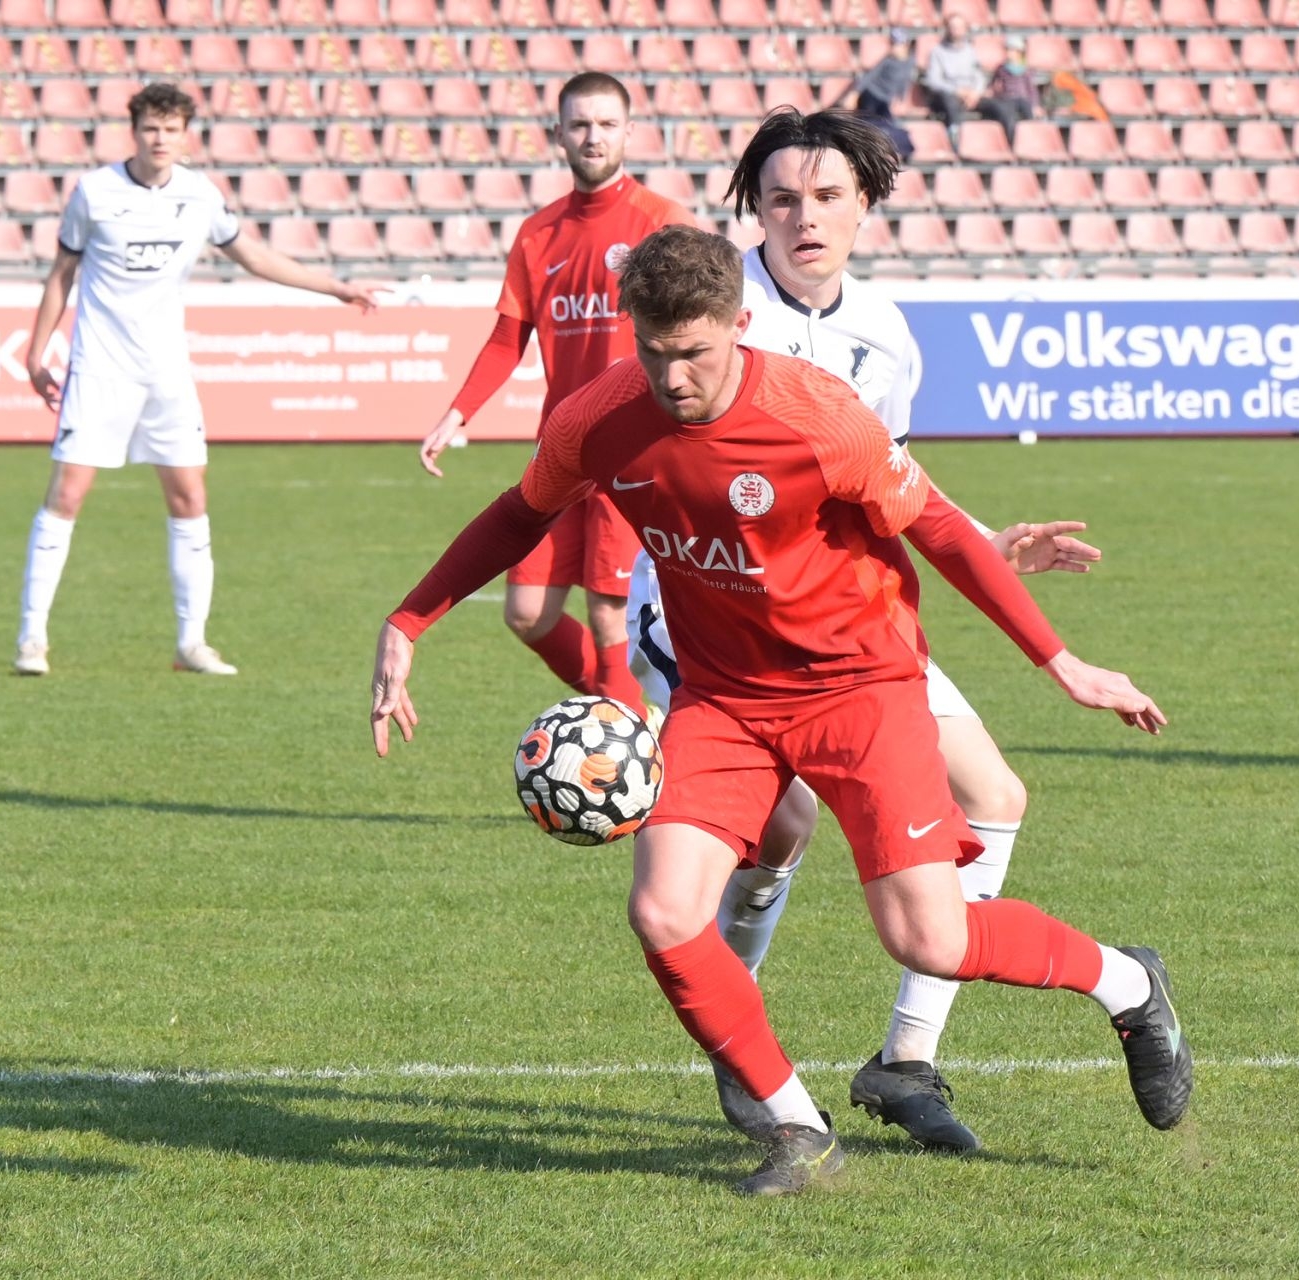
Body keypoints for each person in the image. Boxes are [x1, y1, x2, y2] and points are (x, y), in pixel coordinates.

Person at [371, 226, 1191, 1196]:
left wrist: (1062, 661)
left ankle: (1130, 984)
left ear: (739, 326)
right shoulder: (601, 416)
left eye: (696, 353)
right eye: (655, 351)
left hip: (863, 686)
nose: (674, 377)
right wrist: (410, 618)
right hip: (724, 699)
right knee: (666, 909)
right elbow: (521, 510)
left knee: (928, 936)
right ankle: (797, 1128)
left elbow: (935, 527)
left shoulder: (817, 417)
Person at [626, 107, 1102, 1153]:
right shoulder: (711, 306)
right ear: (752, 206)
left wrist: (987, 539)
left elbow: (892, 490)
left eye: (828, 197)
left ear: (865, 207)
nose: (805, 218)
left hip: (849, 624)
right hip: (710, 624)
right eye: (782, 198)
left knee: (997, 793)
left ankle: (905, 1058)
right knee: (780, 822)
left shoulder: (883, 332)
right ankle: (737, 1037)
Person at [15, 83, 387, 677]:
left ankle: (192, 644)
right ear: (133, 131)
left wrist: (335, 287)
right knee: (67, 496)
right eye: (150, 128)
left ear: (186, 134)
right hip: (100, 369)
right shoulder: (95, 192)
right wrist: (36, 353)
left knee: (189, 498)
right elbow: (62, 273)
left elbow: (256, 257)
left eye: (171, 128)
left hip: (166, 375)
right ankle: (31, 639)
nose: (160, 138)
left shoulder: (199, 195)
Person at [415, 72, 695, 713]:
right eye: (579, 125)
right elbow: (507, 336)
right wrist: (456, 415)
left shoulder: (663, 223)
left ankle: (628, 767)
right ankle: (631, 723)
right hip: (564, 451)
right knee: (527, 613)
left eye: (604, 124)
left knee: (609, 621)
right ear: (558, 135)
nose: (591, 137)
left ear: (628, 131)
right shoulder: (538, 233)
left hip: (635, 451)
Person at [921, 15, 1014, 143]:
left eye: (960, 27)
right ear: (947, 29)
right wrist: (957, 91)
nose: (956, 30)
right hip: (949, 96)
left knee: (1001, 108)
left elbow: (979, 75)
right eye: (953, 27)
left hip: (972, 95)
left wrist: (975, 93)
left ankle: (1008, 144)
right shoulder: (937, 52)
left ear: (965, 29)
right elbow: (933, 80)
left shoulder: (970, 51)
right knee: (951, 104)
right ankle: (955, 144)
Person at [839, 27, 918, 159]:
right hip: (872, 94)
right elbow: (869, 77)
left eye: (898, 44)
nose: (894, 47)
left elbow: (905, 81)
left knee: (888, 125)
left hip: (885, 99)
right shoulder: (887, 60)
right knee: (869, 123)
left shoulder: (910, 61)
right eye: (893, 43)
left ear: (906, 44)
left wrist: (901, 98)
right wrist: (854, 93)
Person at [984, 35, 1041, 144]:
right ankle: (1011, 142)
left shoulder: (1026, 69)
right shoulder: (1001, 68)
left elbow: (1031, 89)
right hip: (1007, 98)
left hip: (1022, 98)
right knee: (1008, 118)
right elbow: (992, 83)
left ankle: (1030, 142)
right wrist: (991, 91)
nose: (1009, 53)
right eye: (1007, 50)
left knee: (1029, 116)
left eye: (1012, 50)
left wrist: (1035, 105)